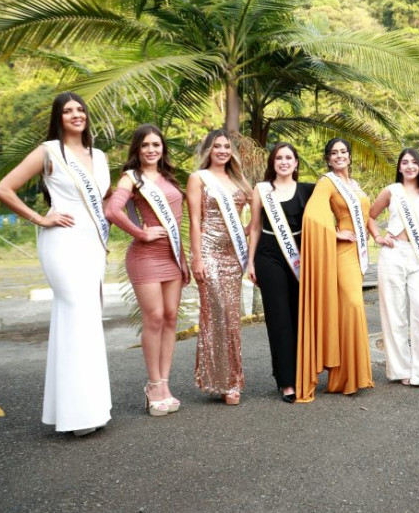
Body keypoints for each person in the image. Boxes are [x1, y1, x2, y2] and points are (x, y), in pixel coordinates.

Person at [0, 92, 111, 435]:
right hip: (62, 241)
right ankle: (78, 415)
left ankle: (89, 409)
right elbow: (3, 188)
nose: (76, 115)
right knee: (74, 312)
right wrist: (40, 219)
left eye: (80, 109)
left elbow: (102, 201)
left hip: (91, 243)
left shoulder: (99, 156)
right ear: (59, 117)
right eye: (68, 111)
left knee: (86, 318)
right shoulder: (48, 152)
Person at [106, 124, 190, 416]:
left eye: (156, 144)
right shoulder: (132, 178)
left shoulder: (168, 177)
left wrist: (184, 259)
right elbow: (112, 210)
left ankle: (165, 384)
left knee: (169, 318)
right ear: (137, 150)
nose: (152, 150)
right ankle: (152, 385)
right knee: (153, 317)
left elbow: (177, 220)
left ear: (162, 148)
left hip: (172, 256)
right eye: (145, 145)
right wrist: (140, 234)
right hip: (146, 257)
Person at [296, 138, 379, 401]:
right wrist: (335, 232)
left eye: (344, 152)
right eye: (334, 153)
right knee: (353, 305)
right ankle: (346, 377)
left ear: (350, 156)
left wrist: (379, 236)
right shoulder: (327, 182)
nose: (339, 156)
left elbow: (365, 217)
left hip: (359, 253)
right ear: (328, 159)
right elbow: (312, 216)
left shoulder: (354, 185)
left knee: (351, 310)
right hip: (342, 254)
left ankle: (352, 376)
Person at [186, 129, 251, 405]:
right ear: (208, 151)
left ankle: (232, 380)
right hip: (210, 254)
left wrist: (248, 230)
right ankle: (221, 381)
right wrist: (197, 258)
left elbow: (258, 206)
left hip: (233, 256)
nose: (222, 150)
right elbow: (195, 221)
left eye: (226, 146)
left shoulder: (238, 179)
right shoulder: (198, 179)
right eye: (217, 146)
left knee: (232, 317)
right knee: (217, 314)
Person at [246, 143, 313, 402]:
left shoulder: (308, 190)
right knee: (278, 320)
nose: (283, 162)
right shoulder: (261, 190)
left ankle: (301, 372)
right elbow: (254, 227)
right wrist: (250, 262)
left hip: (299, 258)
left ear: (296, 163)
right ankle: (286, 381)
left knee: (298, 317)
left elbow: (329, 216)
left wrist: (338, 232)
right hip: (269, 255)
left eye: (289, 158)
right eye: (279, 158)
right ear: (272, 162)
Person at [369, 148, 419, 389]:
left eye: (414, 162)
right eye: (405, 162)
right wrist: (378, 237)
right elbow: (370, 216)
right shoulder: (392, 191)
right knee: (394, 314)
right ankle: (401, 370)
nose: (409, 166)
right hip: (393, 253)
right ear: (399, 167)